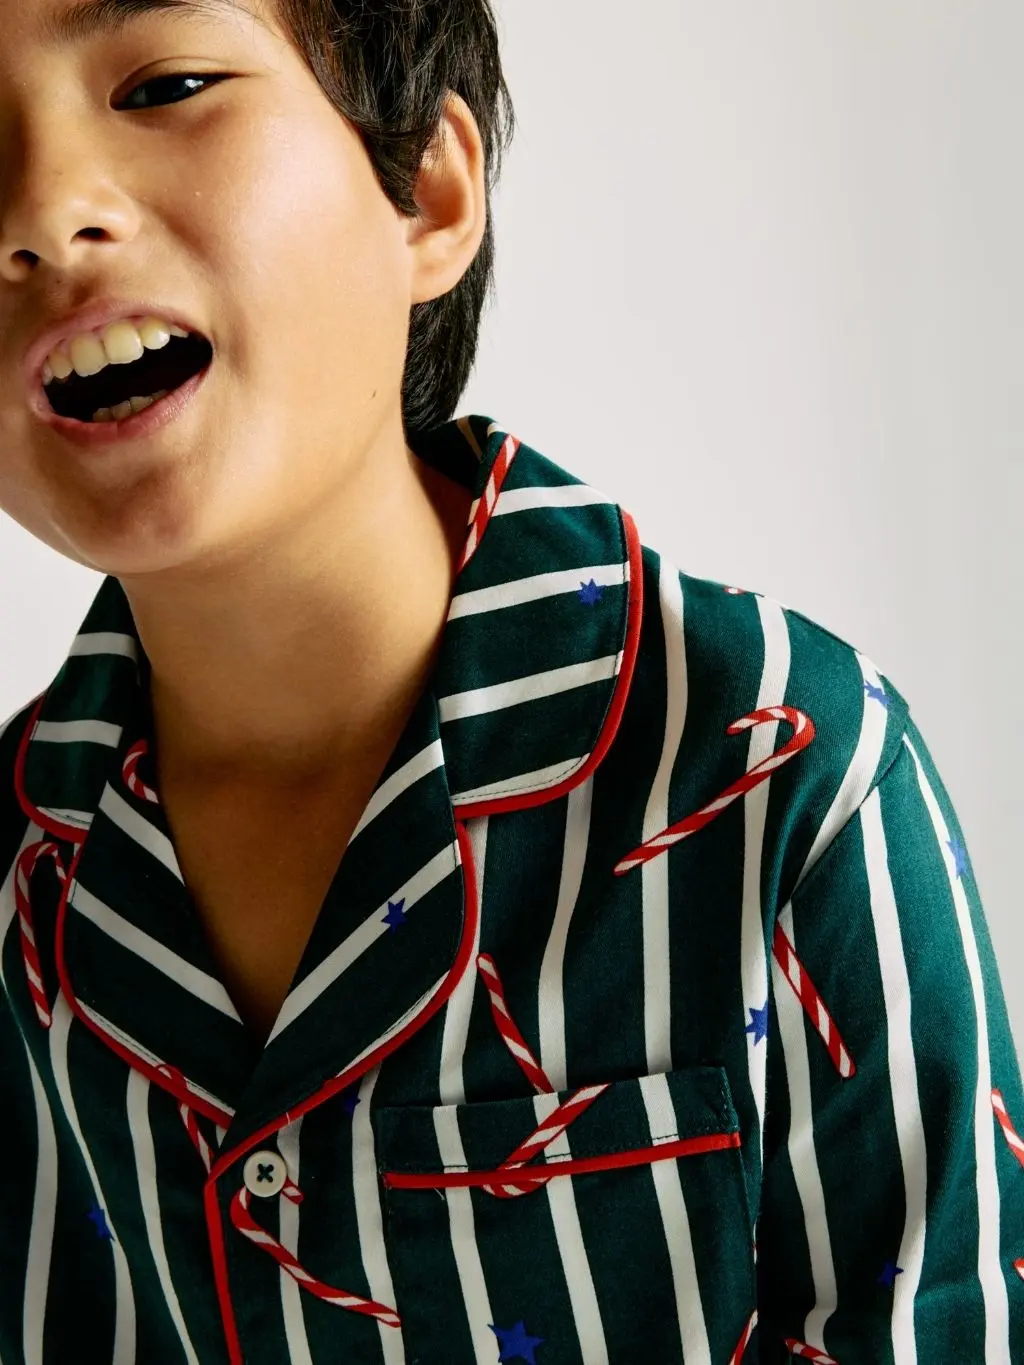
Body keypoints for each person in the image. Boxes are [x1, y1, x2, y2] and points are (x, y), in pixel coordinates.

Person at [0, 0, 1021, 1361]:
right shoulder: (12, 884)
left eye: (168, 83)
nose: (41, 209)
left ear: (426, 192)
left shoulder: (779, 766)